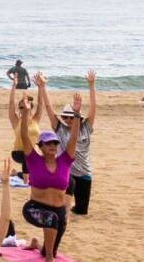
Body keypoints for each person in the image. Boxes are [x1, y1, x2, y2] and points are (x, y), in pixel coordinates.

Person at [19, 105, 77, 262]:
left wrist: (77, 115)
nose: (52, 145)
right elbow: (24, 136)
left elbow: (73, 139)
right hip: (34, 208)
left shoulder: (65, 160)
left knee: (51, 239)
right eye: (48, 143)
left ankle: (39, 246)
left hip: (58, 211)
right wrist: (24, 113)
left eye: (55, 143)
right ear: (41, 146)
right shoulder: (34, 160)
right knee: (51, 219)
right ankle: (49, 259)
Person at [38, 71, 99, 216]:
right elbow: (48, 108)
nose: (68, 120)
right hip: (67, 172)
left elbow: (93, 107)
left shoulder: (85, 127)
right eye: (65, 117)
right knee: (62, 206)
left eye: (71, 117)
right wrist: (43, 87)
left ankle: (71, 208)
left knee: (81, 211)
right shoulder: (60, 129)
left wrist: (91, 85)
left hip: (84, 173)